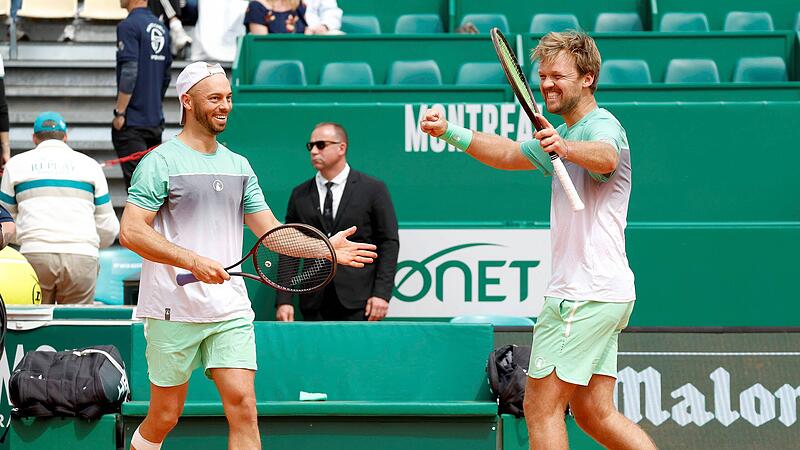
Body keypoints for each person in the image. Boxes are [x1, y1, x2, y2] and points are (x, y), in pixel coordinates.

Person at [119, 61, 377, 450]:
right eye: (214, 98)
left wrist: (326, 249)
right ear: (187, 102)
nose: (225, 106)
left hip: (229, 308)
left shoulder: (239, 165)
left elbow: (272, 234)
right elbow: (131, 231)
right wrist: (191, 260)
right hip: (173, 307)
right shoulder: (160, 162)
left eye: (228, 97)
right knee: (165, 415)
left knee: (243, 405)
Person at [419, 31, 656, 450]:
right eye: (542, 76)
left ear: (587, 78)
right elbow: (508, 153)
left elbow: (607, 156)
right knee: (594, 414)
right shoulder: (566, 132)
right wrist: (449, 132)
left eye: (558, 76)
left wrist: (567, 146)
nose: (546, 84)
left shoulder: (600, 126)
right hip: (607, 293)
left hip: (582, 295)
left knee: (540, 408)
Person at [275, 122, 399, 322]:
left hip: (360, 301)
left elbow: (388, 243)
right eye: (311, 146)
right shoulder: (300, 194)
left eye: (321, 145)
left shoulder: (373, 189)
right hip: (313, 298)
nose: (314, 151)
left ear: (341, 148)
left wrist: (381, 294)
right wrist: (284, 299)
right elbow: (289, 247)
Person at [0, 112, 119, 304]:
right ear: (65, 138)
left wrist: (29, 237)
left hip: (34, 254)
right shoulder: (90, 166)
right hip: (82, 255)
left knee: (35, 326)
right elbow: (109, 227)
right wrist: (88, 244)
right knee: (75, 327)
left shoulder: (15, 165)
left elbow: (6, 222)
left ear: (34, 138)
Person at [114, 0, 173, 190]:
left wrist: (120, 112)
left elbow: (130, 71)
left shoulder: (128, 26)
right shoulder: (162, 27)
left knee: (138, 190)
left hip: (133, 122)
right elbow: (166, 76)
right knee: (152, 188)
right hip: (155, 120)